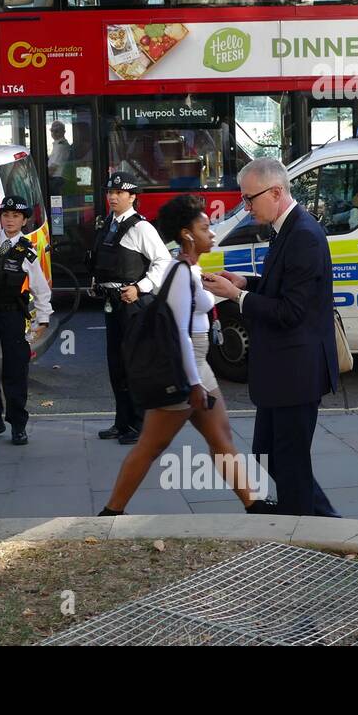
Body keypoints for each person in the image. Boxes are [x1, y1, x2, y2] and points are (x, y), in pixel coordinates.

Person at [99, 195, 274, 515]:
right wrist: (193, 385)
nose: (212, 234)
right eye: (205, 227)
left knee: (221, 440)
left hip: (199, 369)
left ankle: (255, 505)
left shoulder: (190, 271)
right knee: (151, 446)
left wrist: (212, 286)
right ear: (187, 235)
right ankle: (111, 512)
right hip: (185, 371)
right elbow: (179, 330)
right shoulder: (179, 272)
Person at [202, 158, 341, 517]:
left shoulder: (304, 235)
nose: (246, 208)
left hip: (296, 370)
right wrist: (246, 282)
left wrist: (237, 298)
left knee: (290, 462)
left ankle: (305, 536)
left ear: (276, 192)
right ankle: (328, 523)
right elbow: (283, 288)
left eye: (250, 199)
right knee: (267, 452)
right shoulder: (288, 228)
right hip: (281, 370)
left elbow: (290, 312)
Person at [89, 172, 172, 445]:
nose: (113, 197)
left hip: (134, 305)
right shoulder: (107, 225)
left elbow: (163, 261)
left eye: (120, 193)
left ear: (133, 196)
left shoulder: (141, 228)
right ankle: (121, 422)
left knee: (135, 365)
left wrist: (142, 287)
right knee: (116, 365)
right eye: (110, 192)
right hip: (112, 303)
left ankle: (139, 425)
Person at [0, 196, 52, 446]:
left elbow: (41, 289)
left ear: (24, 220)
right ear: (0, 217)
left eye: (16, 216)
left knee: (15, 369)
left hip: (12, 315)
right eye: (6, 215)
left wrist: (42, 319)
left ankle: (17, 424)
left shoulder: (26, 251)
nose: (10, 220)